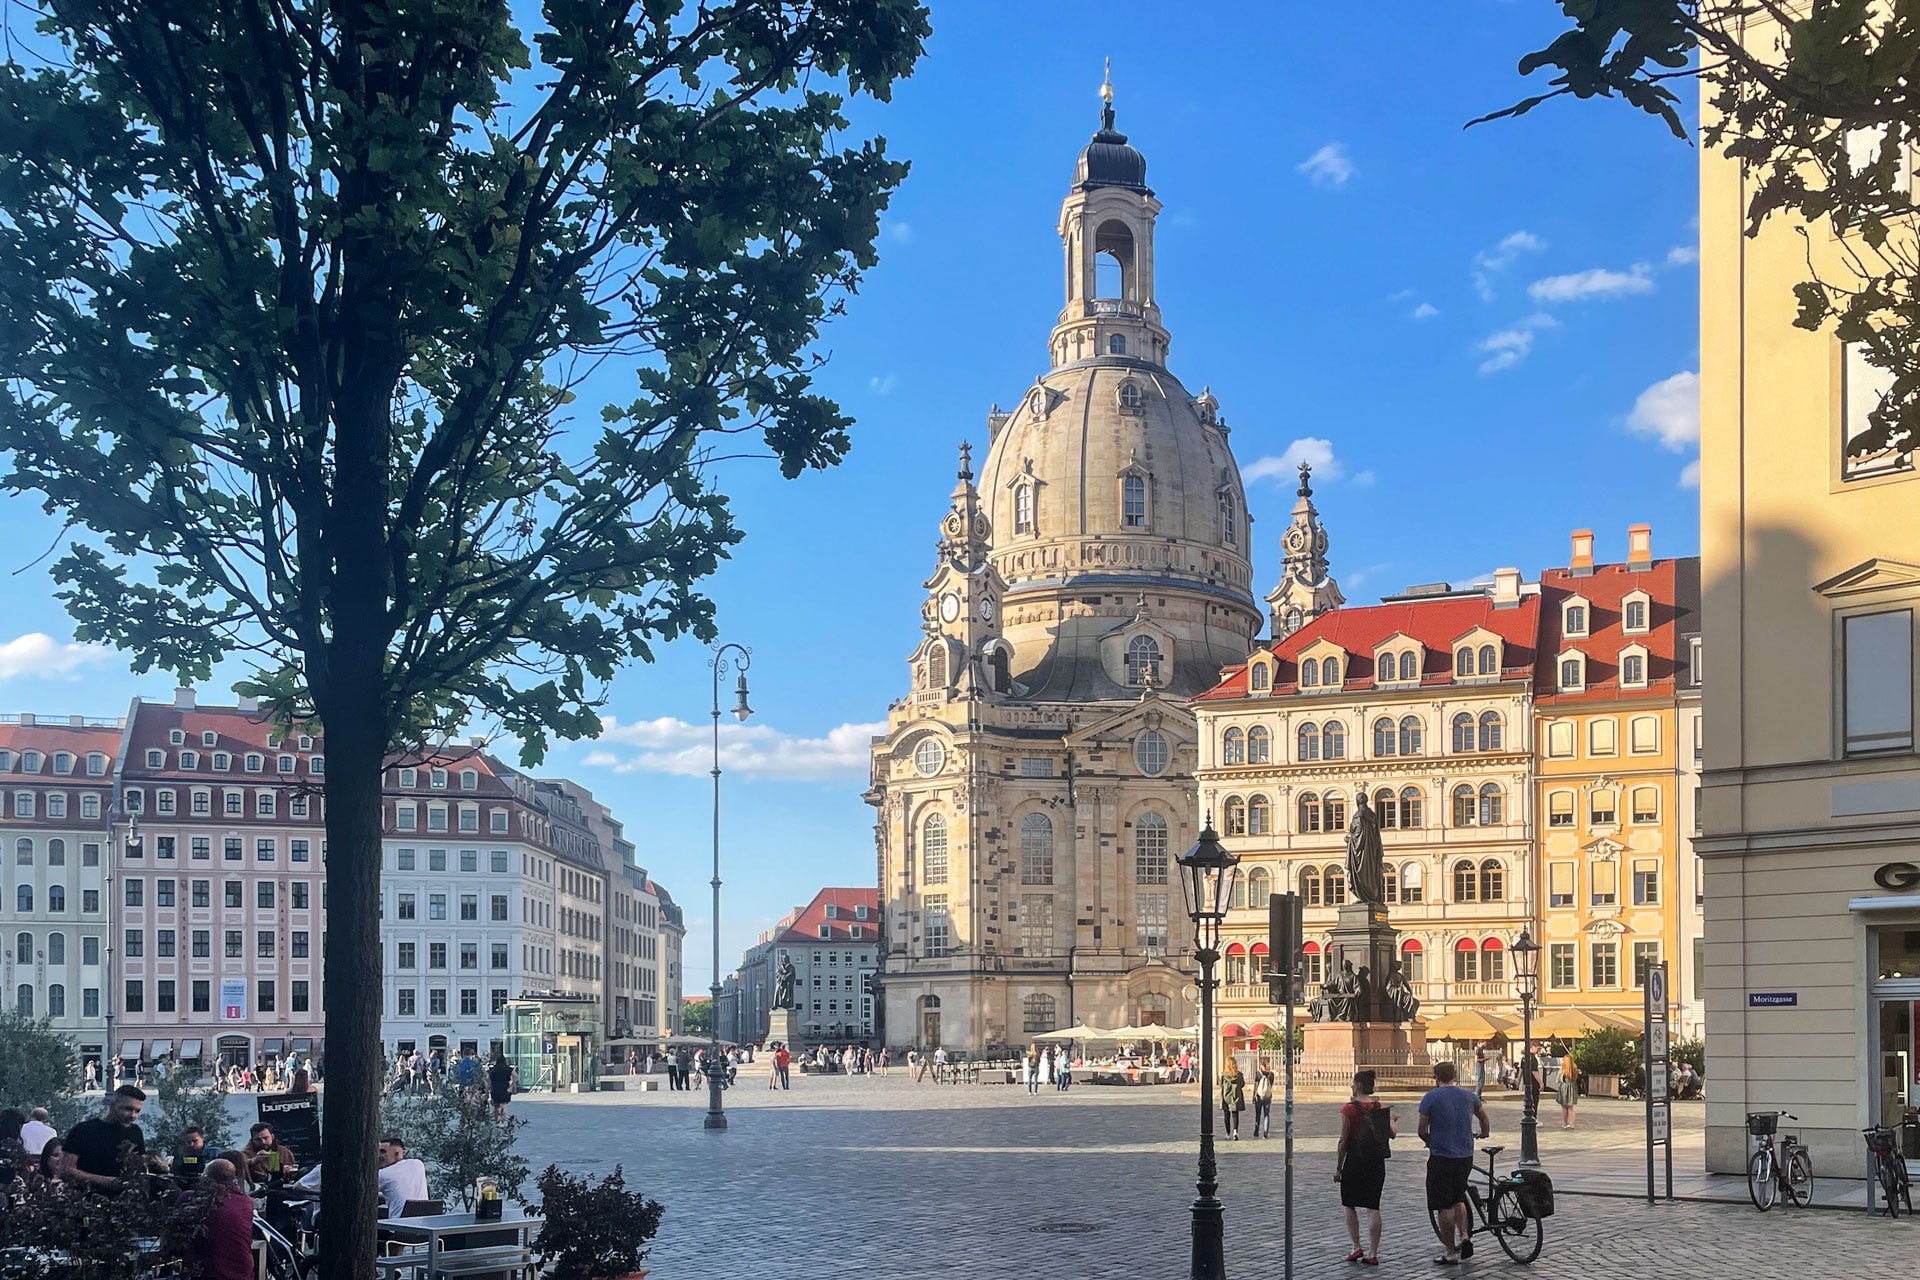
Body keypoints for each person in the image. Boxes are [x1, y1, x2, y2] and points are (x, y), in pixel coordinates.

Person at [1419, 1060, 1490, 1266]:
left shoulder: (1430, 1097)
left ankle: (1450, 1252)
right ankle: (1465, 1235)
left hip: (1442, 1156)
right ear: (1455, 1075)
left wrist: (1430, 1142)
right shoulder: (1469, 1096)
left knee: (1443, 1205)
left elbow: (1422, 1129)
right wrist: (1484, 1133)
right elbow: (1483, 1118)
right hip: (1465, 1155)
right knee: (1459, 1197)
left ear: (1436, 1077)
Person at [1334, 1069, 1396, 1266]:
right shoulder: (1380, 1107)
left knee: (1349, 1203)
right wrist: (1392, 1121)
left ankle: (1355, 1245)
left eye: (1353, 1083)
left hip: (1355, 1160)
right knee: (1373, 1206)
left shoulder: (1349, 1109)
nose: (1351, 1086)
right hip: (1376, 1161)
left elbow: (1344, 1140)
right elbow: (1392, 1134)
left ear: (1358, 1086)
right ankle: (1373, 1252)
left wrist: (1338, 1167)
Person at [177, 1159, 257, 1280]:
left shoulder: (190, 1198)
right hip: (243, 1272)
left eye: (203, 1174)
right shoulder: (246, 1202)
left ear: (207, 1177)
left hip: (208, 1273)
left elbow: (173, 1235)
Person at [64, 1084, 148, 1194]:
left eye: (137, 1111)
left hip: (125, 1202)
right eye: (128, 1109)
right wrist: (106, 1181)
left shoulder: (135, 1132)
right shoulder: (83, 1130)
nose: (133, 1115)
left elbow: (140, 1168)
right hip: (87, 1200)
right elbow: (67, 1170)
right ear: (112, 1105)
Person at [376, 1136, 430, 1217]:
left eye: (383, 1152)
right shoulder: (418, 1164)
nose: (379, 1155)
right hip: (422, 1223)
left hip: (399, 1225)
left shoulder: (383, 1174)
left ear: (397, 1153)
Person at [243, 1122, 298, 1188]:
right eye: (258, 1139)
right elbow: (241, 1165)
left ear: (272, 1136)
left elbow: (294, 1173)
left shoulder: (284, 1152)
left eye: (266, 1138)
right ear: (252, 1140)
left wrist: (288, 1172)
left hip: (283, 1188)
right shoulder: (246, 1153)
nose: (263, 1142)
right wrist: (253, 1161)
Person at [1219, 1060, 1246, 1141]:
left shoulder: (1224, 1075)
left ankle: (1227, 1133)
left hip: (1226, 1096)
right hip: (1236, 1096)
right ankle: (1235, 1131)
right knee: (1235, 1115)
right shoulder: (1239, 1075)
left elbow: (1221, 1084)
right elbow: (1242, 1084)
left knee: (1226, 1115)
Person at [1557, 1044, 1580, 1129]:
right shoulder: (1574, 1069)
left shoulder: (1562, 1069)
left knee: (1564, 1107)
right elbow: (1576, 1077)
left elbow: (1558, 1079)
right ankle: (1572, 1124)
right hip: (1572, 1088)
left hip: (1563, 1088)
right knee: (1571, 1107)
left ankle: (1565, 1123)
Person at [1251, 1065, 1275, 1139]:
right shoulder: (1271, 1074)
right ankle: (1265, 1132)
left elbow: (1256, 1086)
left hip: (1259, 1096)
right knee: (1266, 1115)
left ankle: (1256, 1131)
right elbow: (1270, 1085)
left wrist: (1253, 1096)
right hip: (1267, 1096)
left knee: (1258, 1115)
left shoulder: (1258, 1074)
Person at [488, 1053, 513, 1122]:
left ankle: (497, 1120)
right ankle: (503, 1120)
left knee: (496, 1105)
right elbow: (515, 1077)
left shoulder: (493, 1070)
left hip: (495, 1088)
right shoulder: (508, 1069)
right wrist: (512, 1086)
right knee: (504, 1104)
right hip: (505, 1088)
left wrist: (489, 1088)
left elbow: (488, 1079)